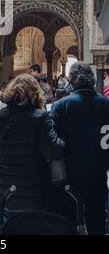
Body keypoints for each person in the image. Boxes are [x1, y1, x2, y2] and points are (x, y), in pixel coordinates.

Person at [51, 62, 109, 235]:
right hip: (99, 172)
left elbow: (53, 141)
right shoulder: (105, 104)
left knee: (68, 219)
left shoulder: (62, 105)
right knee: (97, 218)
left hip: (71, 174)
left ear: (72, 78)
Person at [0, 74, 65, 211]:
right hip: (32, 186)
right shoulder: (40, 117)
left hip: (5, 185)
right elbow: (52, 150)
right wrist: (63, 141)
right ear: (36, 92)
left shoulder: (2, 114)